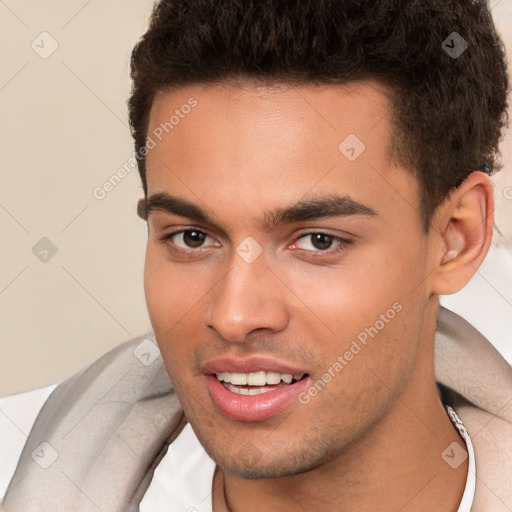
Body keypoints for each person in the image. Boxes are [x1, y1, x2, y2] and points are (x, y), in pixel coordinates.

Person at [2, 0, 512, 510]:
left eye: (318, 241)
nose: (234, 315)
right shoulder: (19, 468)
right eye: (192, 237)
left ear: (456, 238)